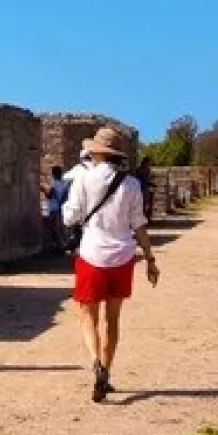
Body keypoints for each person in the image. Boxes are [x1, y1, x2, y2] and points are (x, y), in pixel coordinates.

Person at [60, 126, 159, 402]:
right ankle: (107, 370)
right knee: (112, 320)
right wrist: (150, 259)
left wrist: (71, 214)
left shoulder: (83, 180)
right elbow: (139, 225)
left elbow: (70, 217)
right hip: (122, 256)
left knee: (87, 316)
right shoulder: (132, 185)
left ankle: (95, 364)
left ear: (96, 152)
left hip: (92, 254)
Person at [43, 163, 70, 252]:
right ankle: (63, 244)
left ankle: (59, 246)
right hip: (62, 208)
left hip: (54, 208)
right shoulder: (65, 183)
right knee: (61, 228)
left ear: (53, 174)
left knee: (55, 229)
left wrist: (43, 190)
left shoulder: (53, 184)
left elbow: (50, 196)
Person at [135, 155, 154, 223]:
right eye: (148, 163)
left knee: (146, 205)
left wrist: (151, 184)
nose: (149, 164)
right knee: (141, 205)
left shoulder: (147, 170)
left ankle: (145, 218)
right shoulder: (139, 170)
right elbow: (138, 180)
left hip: (145, 190)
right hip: (140, 190)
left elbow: (147, 180)